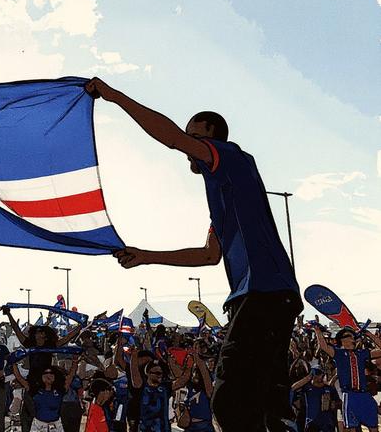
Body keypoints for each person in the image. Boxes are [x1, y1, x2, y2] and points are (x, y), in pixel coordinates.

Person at [86, 77, 303, 431]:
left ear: (212, 136)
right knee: (268, 404)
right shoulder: (226, 196)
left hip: (262, 292)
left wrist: (113, 96)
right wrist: (147, 255)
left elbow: (171, 138)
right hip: (269, 297)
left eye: (194, 137)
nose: (188, 147)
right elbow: (208, 255)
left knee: (230, 400)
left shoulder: (230, 158)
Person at [314, 326, 381, 432]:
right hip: (350, 395)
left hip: (365, 395)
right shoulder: (338, 353)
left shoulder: (361, 353)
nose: (352, 337)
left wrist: (370, 335)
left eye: (352, 335)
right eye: (349, 335)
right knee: (351, 429)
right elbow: (324, 346)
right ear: (342, 340)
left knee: (374, 427)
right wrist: (317, 331)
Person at [13, 355, 80, 432]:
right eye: (46, 373)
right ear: (41, 376)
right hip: (38, 426)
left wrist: (75, 362)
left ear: (55, 376)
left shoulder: (60, 390)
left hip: (56, 426)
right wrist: (13, 363)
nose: (48, 375)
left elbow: (71, 376)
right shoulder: (35, 390)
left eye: (51, 373)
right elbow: (19, 377)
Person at [129, 350, 191, 432]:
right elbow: (134, 373)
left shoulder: (165, 387)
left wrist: (189, 364)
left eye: (161, 373)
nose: (160, 375)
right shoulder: (141, 387)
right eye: (156, 373)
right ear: (148, 373)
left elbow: (183, 380)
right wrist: (134, 355)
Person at [291, 368, 338, 432]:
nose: (318, 378)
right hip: (312, 422)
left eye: (320, 375)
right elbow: (293, 388)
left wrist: (334, 404)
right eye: (316, 375)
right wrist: (308, 378)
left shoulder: (329, 388)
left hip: (327, 422)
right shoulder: (307, 387)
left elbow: (338, 402)